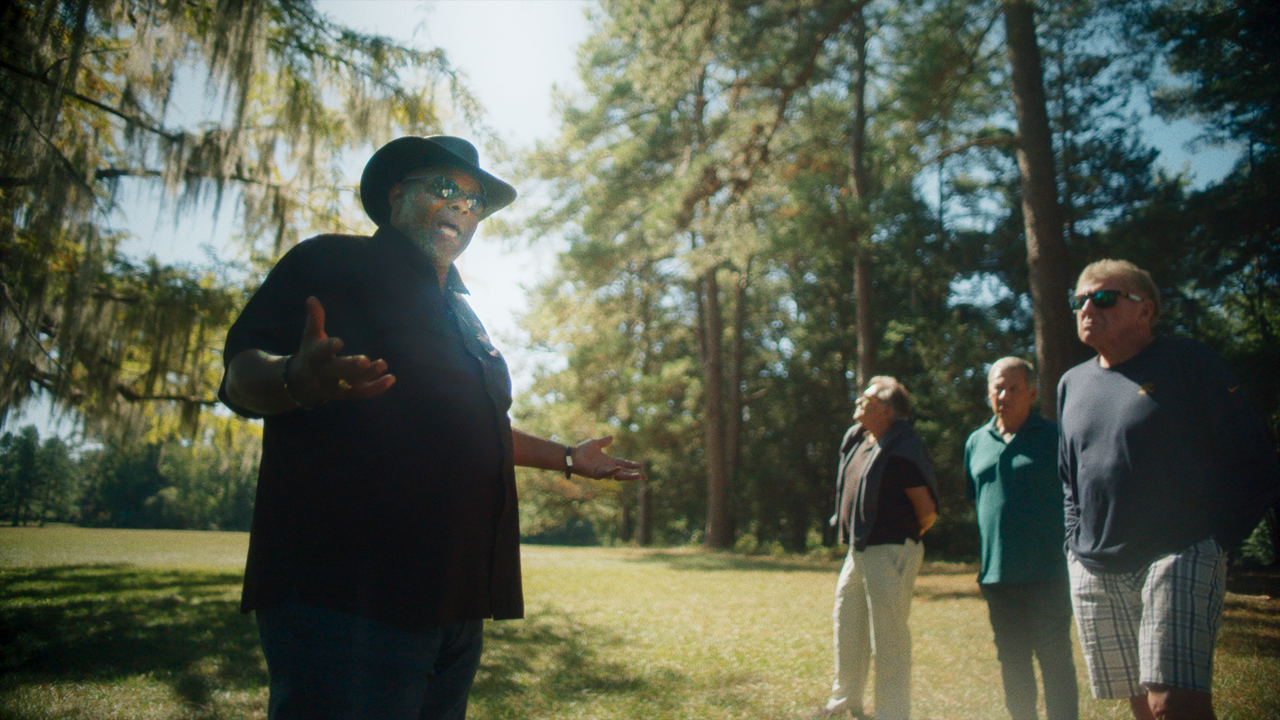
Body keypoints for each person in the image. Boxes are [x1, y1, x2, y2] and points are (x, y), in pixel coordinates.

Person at [218, 135, 645, 720]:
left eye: (474, 200)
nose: (461, 207)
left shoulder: (465, 313)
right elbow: (240, 374)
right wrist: (296, 379)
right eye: (445, 188)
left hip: (455, 602)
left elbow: (478, 430)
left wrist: (568, 457)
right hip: (346, 601)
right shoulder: (330, 263)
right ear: (397, 194)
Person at [1058, 259, 1280, 720]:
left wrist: (1218, 538)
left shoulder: (1189, 363)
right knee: (1140, 705)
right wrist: (1073, 546)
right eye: (1078, 300)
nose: (1086, 307)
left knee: (1172, 704)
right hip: (1096, 563)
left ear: (1145, 310)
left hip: (1178, 550)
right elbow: (1069, 479)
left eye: (1103, 297)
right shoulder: (1071, 384)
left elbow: (1255, 457)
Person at [815, 377, 939, 720]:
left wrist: (902, 542)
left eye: (866, 398)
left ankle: (892, 713)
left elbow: (926, 511)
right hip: (860, 549)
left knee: (888, 636)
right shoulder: (859, 440)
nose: (859, 401)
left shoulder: (902, 449)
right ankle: (843, 703)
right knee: (847, 623)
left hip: (892, 549)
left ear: (885, 409)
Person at [965, 357, 1078, 720]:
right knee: (1012, 664)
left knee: (1055, 662)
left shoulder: (1056, 438)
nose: (1005, 395)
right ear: (988, 393)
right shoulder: (976, 443)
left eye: (1014, 388)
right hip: (997, 578)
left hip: (1048, 574)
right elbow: (978, 500)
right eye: (998, 387)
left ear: (1031, 393)